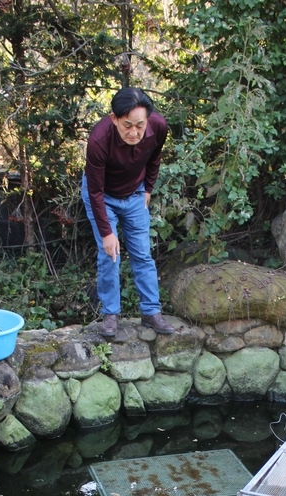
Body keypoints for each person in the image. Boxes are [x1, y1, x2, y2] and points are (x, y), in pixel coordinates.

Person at [81, 87, 174, 338]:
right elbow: (95, 192)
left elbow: (154, 157)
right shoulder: (99, 140)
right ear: (115, 119)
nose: (134, 132)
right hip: (103, 196)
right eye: (127, 125)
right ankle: (111, 314)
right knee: (109, 254)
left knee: (142, 253)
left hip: (135, 194)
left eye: (139, 126)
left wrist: (148, 188)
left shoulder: (159, 127)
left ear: (148, 120)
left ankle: (151, 312)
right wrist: (107, 233)